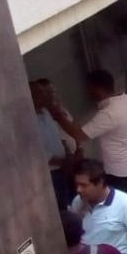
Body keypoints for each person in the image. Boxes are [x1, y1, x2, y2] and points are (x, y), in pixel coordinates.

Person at [49, 69, 127, 248]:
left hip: (118, 169)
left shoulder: (108, 114)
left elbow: (79, 134)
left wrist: (57, 114)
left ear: (98, 88)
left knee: (123, 207)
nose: (87, 93)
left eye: (89, 89)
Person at [30, 79, 75, 208]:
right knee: (62, 207)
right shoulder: (28, 120)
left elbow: (58, 136)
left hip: (64, 167)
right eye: (41, 93)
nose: (45, 96)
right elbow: (38, 153)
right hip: (52, 173)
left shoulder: (46, 112)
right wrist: (63, 163)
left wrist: (68, 154)